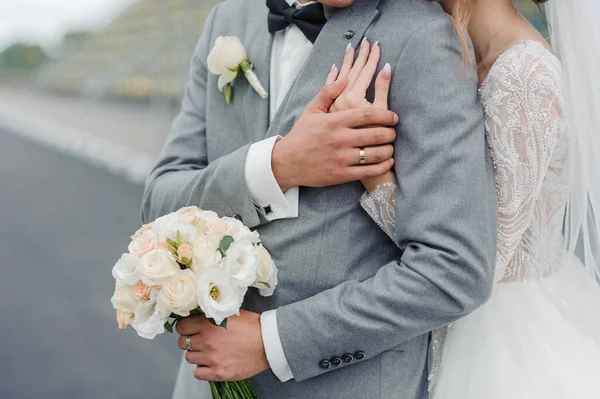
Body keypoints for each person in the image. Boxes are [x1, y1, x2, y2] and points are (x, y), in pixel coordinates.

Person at [142, 0, 497, 398]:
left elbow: (456, 268)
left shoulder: (423, 37)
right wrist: (277, 166)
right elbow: (159, 201)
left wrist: (271, 342)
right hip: (204, 386)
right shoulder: (228, 19)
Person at [328, 0, 600, 397]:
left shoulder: (525, 74)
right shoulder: (465, 57)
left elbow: (478, 263)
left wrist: (372, 171)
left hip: (507, 342)